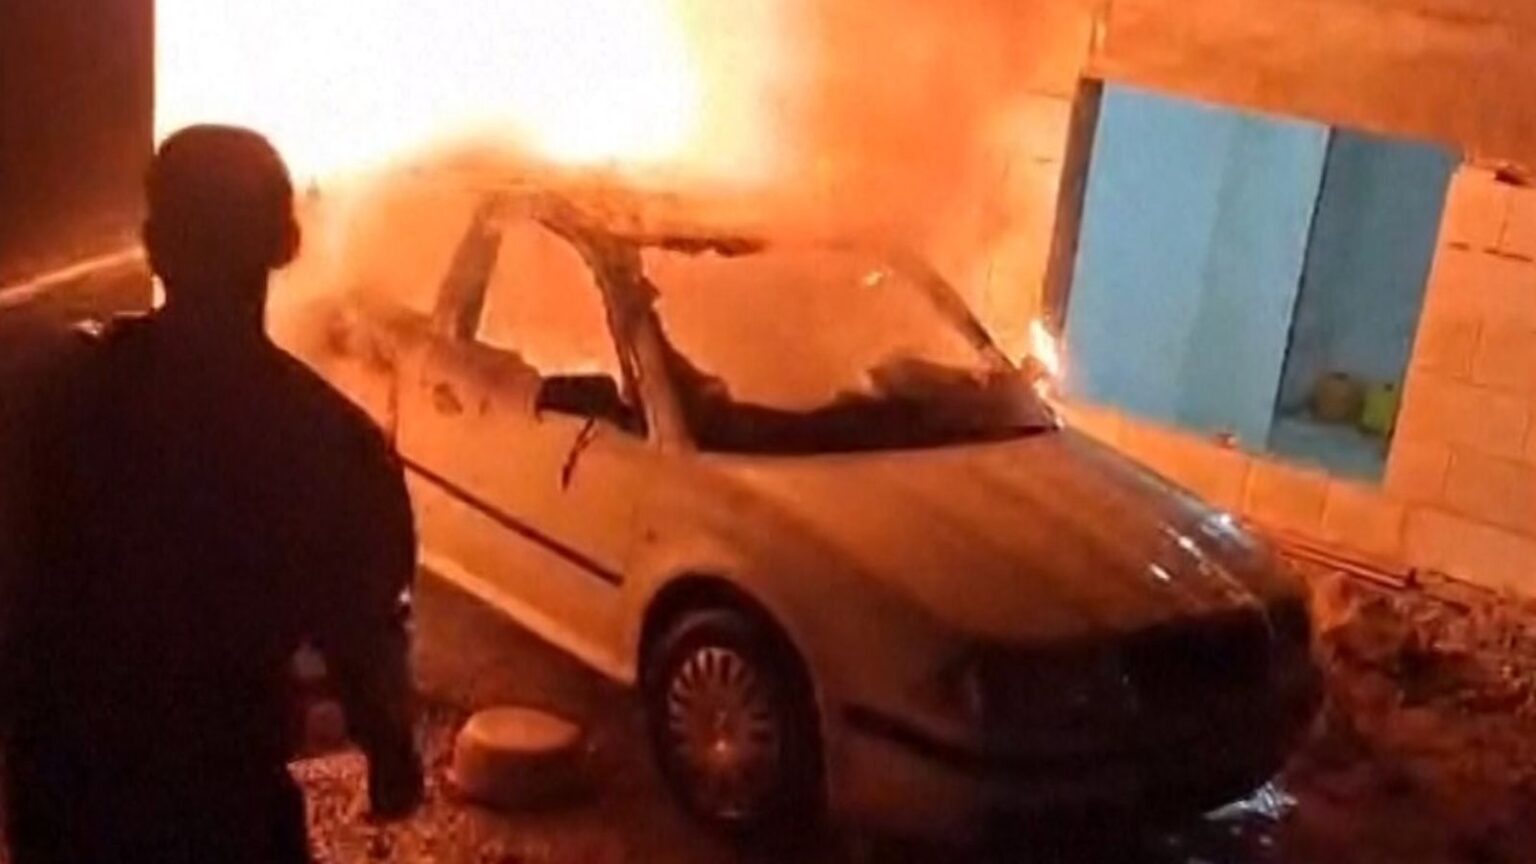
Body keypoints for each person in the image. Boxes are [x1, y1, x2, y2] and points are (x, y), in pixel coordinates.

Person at [1, 125, 424, 863]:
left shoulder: (52, 398)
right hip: (223, 811)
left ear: (154, 244)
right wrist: (389, 752)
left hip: (65, 802)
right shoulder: (328, 443)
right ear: (285, 245)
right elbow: (364, 632)